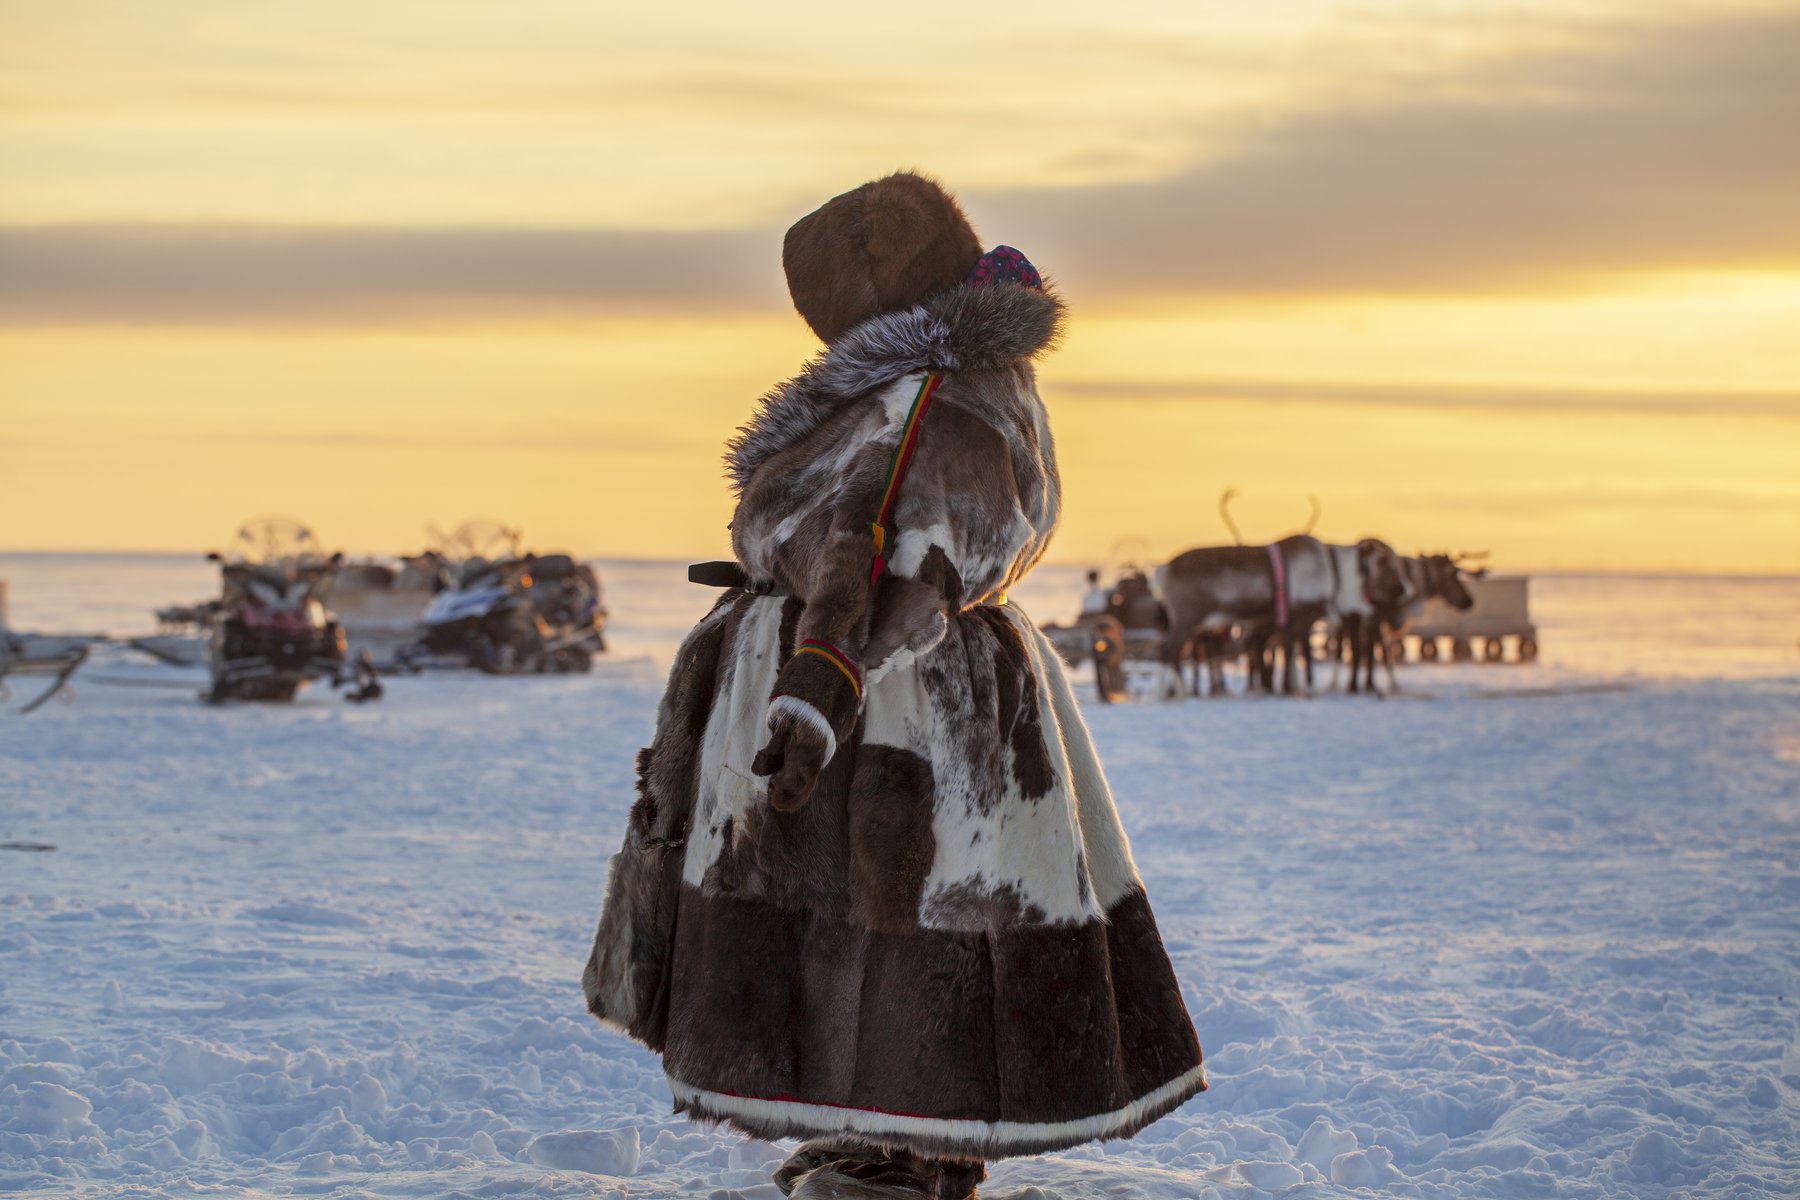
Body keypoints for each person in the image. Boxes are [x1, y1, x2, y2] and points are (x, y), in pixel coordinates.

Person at [584, 172, 1205, 1200]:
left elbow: (894, 559)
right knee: (909, 913)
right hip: (934, 691)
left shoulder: (929, 399)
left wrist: (817, 686)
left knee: (903, 911)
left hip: (901, 708)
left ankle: (912, 1151)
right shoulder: (962, 384)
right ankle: (887, 1132)